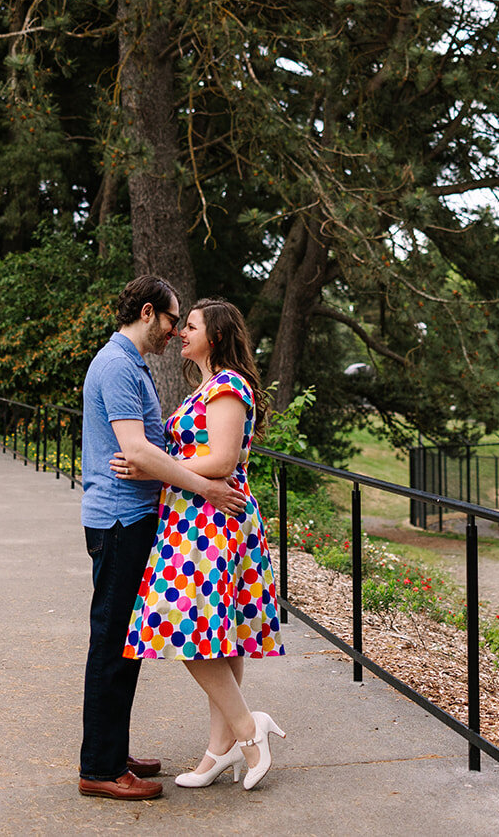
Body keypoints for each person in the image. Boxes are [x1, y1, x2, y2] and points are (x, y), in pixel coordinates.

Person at [78, 276, 249, 801]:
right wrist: (208, 487)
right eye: (175, 320)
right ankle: (100, 769)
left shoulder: (133, 366)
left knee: (125, 643)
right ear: (150, 312)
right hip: (119, 520)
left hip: (135, 518)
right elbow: (139, 451)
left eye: (185, 324)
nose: (175, 331)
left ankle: (111, 747)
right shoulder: (116, 366)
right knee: (111, 641)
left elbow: (155, 453)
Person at [113, 297, 286, 792]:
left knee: (185, 626)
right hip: (194, 516)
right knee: (217, 635)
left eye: (190, 326)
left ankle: (250, 730)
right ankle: (219, 750)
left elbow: (224, 459)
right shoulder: (207, 387)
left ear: (216, 336)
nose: (180, 332)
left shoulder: (228, 386)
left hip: (212, 517)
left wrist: (151, 467)